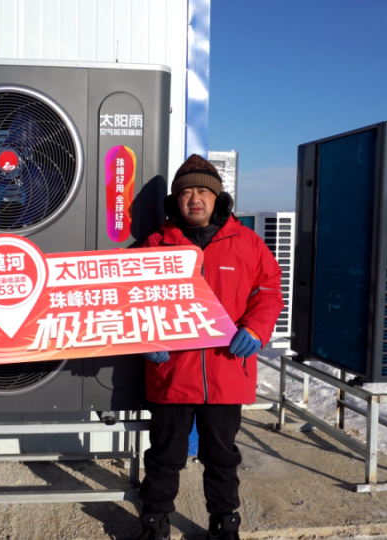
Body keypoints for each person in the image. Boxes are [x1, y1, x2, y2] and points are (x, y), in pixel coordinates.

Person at [137, 154, 284, 540]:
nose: (195, 199)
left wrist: (255, 329)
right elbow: (132, 301)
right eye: (186, 192)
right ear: (176, 201)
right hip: (171, 373)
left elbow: (268, 291)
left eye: (203, 191)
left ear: (218, 198)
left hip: (226, 371)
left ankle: (224, 523)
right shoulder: (155, 245)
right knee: (164, 457)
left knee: (221, 456)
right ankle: (154, 522)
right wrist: (146, 339)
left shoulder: (248, 243)